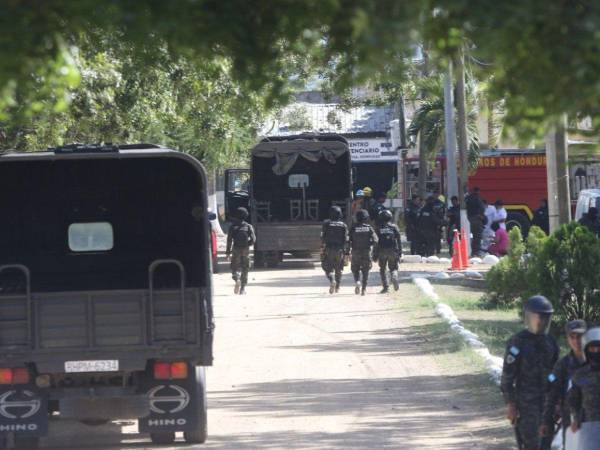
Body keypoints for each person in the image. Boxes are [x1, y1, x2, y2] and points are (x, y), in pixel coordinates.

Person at [501, 295, 559, 450]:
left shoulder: (551, 342)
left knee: (547, 444)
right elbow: (507, 378)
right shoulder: (517, 342)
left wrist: (558, 401)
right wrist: (511, 404)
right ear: (528, 317)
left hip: (548, 406)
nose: (540, 321)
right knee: (531, 444)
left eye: (544, 317)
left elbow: (555, 374)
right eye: (536, 317)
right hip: (526, 406)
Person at [540, 320, 587, 447]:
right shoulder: (563, 365)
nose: (576, 341)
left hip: (593, 420)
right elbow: (552, 394)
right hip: (571, 422)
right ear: (567, 339)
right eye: (572, 337)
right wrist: (546, 421)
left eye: (580, 336)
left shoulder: (595, 362)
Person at [567, 327, 600, 450]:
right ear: (586, 350)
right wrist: (575, 418)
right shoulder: (580, 374)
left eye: (599, 348)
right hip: (588, 427)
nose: (596, 351)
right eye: (592, 349)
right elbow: (573, 400)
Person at [226, 207, 256, 295]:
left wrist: (228, 252)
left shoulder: (232, 227)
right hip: (245, 249)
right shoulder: (248, 226)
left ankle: (237, 278)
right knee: (245, 268)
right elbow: (253, 239)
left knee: (234, 267)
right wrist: (247, 244)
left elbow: (229, 240)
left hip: (236, 248)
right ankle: (242, 289)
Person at [349, 209, 378, 296]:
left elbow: (348, 240)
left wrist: (347, 251)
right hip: (366, 251)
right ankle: (364, 289)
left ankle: (357, 281)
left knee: (355, 269)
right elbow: (376, 240)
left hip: (355, 251)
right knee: (366, 270)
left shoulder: (353, 228)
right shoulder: (369, 228)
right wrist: (371, 246)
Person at [321, 205, 348, 294]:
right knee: (339, 269)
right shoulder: (343, 225)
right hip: (340, 250)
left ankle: (332, 280)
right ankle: (337, 287)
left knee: (327, 267)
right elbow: (346, 239)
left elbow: (322, 237)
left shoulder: (326, 223)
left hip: (329, 249)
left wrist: (322, 248)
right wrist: (346, 252)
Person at [374, 209, 401, 293]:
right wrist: (400, 252)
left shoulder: (378, 228)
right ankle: (394, 275)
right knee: (393, 268)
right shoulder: (394, 227)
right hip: (393, 250)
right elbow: (399, 240)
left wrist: (375, 254)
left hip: (382, 251)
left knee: (382, 269)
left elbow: (376, 242)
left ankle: (386, 287)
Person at [466, 187, 486, 256]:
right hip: (477, 219)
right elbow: (482, 209)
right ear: (478, 191)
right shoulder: (477, 199)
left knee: (472, 237)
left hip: (470, 219)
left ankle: (472, 252)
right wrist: (481, 216)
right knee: (477, 237)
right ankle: (476, 252)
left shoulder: (468, 198)